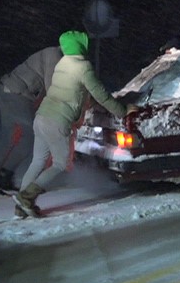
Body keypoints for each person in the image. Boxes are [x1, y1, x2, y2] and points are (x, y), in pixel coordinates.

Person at [14, 30, 135, 218]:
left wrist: (93, 104)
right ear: (81, 46)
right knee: (61, 164)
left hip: (42, 117)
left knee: (38, 161)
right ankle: (26, 197)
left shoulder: (62, 64)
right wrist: (123, 110)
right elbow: (100, 94)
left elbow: (78, 93)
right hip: (58, 121)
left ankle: (21, 207)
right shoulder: (83, 67)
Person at [0, 44, 62, 197]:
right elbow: (52, 88)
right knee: (31, 136)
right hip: (16, 95)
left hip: (9, 91)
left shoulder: (51, 54)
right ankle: (2, 177)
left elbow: (45, 90)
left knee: (11, 139)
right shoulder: (54, 55)